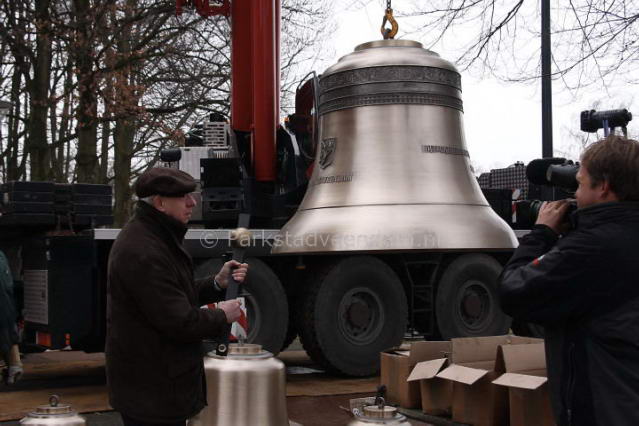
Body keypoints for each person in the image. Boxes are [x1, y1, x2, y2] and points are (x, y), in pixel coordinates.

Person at [499, 134, 639, 426]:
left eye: (580, 183)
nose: (575, 194)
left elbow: (514, 292)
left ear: (604, 186)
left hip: (607, 410)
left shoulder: (592, 248)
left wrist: (542, 234)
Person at [106, 167, 248, 426]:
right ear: (160, 203)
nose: (193, 203)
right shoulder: (144, 250)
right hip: (152, 391)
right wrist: (221, 315)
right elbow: (179, 321)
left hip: (156, 384)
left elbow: (172, 295)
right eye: (184, 197)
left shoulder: (156, 237)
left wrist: (217, 283)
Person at [0, 249, 22, 385]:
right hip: (7, 306)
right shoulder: (1, 256)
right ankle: (15, 367)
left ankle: (14, 367)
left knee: (5, 334)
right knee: (8, 333)